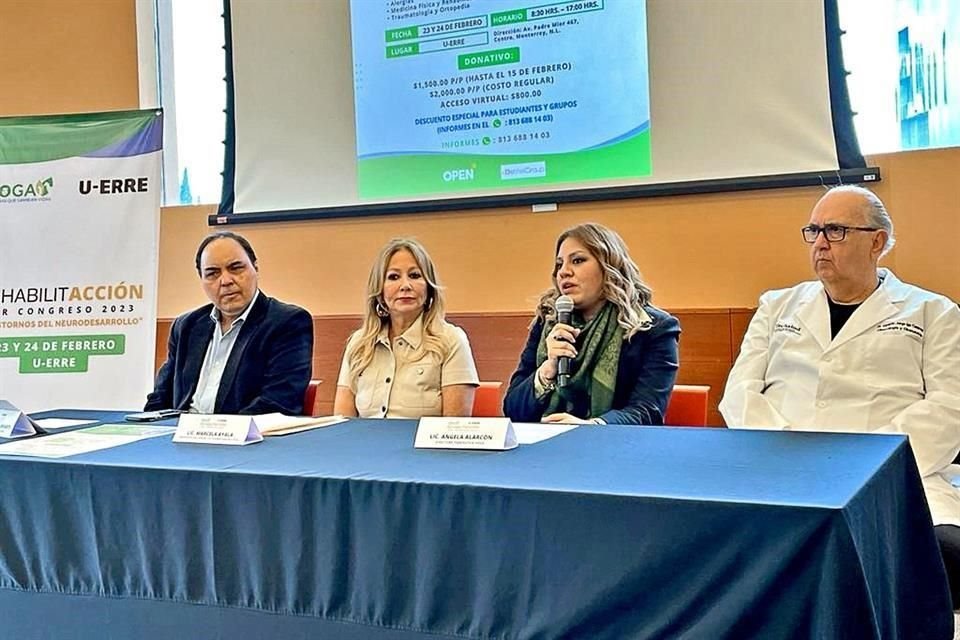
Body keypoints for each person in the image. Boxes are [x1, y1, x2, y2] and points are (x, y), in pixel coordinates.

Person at [719, 185, 960, 605]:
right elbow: (739, 393)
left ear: (877, 242)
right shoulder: (776, 306)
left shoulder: (933, 312)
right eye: (813, 231)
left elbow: (949, 407)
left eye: (835, 230)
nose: (820, 243)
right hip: (779, 470)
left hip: (893, 478)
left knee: (938, 560)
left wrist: (866, 464)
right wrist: (789, 451)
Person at [503, 223, 680, 425]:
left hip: (615, 449)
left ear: (609, 266)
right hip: (548, 449)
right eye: (559, 264)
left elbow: (648, 411)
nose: (564, 272)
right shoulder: (548, 322)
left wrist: (591, 427)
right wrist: (547, 370)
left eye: (577, 261)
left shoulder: (653, 328)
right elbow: (512, 411)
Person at [145, 231, 314, 415]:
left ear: (255, 268)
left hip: (245, 439)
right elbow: (160, 399)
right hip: (180, 437)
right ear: (201, 279)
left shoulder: (287, 323)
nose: (225, 281)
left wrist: (215, 432)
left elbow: (278, 403)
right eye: (212, 273)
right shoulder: (186, 326)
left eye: (235, 268)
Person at [334, 238, 478, 418]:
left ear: (429, 288)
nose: (405, 286)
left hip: (424, 446)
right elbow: (343, 424)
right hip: (365, 445)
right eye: (393, 277)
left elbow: (453, 428)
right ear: (380, 291)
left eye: (415, 276)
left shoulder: (451, 340)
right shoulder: (359, 343)